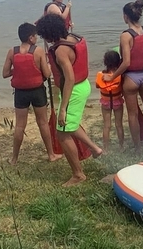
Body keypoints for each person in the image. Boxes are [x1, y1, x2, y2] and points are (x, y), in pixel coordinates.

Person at [36, 14, 102, 187]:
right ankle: (95, 149)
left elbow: (70, 78)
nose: (44, 39)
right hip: (83, 85)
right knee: (71, 124)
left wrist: (63, 108)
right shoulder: (74, 37)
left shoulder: (60, 51)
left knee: (62, 132)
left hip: (73, 90)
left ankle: (78, 175)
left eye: (44, 35)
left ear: (49, 34)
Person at [103, 0, 143, 149]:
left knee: (133, 114)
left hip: (131, 78)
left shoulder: (126, 36)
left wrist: (112, 76)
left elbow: (126, 63)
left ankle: (137, 148)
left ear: (126, 16)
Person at [1, 23, 60, 165]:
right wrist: (49, 66)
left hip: (20, 93)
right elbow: (47, 74)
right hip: (37, 91)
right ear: (30, 38)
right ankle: (51, 155)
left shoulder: (12, 52)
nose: (37, 38)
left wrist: (18, 70)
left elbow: (5, 73)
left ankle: (14, 158)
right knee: (43, 122)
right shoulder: (38, 51)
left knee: (20, 125)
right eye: (35, 36)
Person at [95, 50, 125, 152]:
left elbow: (97, 85)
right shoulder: (120, 75)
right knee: (119, 125)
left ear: (105, 62)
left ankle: (106, 148)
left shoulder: (100, 75)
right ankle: (121, 146)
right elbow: (122, 87)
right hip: (117, 102)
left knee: (106, 125)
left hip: (106, 102)